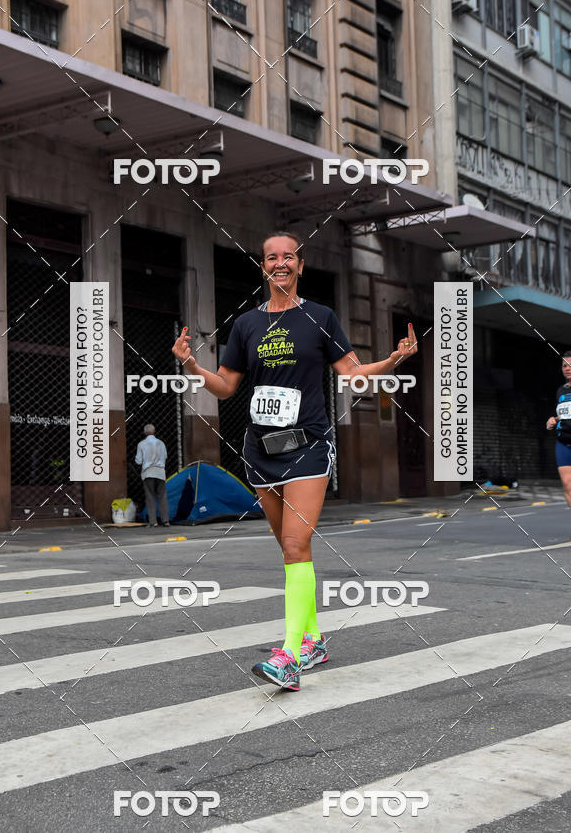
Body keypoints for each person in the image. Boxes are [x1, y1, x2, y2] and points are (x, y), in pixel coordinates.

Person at [172, 231, 417, 690]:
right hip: (260, 449)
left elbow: (350, 373)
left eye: (288, 257)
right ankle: (313, 639)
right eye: (271, 258)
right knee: (291, 552)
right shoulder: (245, 325)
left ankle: (289, 658)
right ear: (263, 267)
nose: (280, 263)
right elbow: (226, 385)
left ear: (300, 266)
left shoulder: (320, 317)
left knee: (294, 544)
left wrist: (390, 361)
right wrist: (192, 367)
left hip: (306, 445)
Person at [546, 350, 571, 509]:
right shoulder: (560, 391)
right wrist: (553, 420)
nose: (567, 368)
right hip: (563, 443)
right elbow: (562, 414)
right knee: (568, 487)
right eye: (564, 365)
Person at [135, 424, 170, 527]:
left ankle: (153, 522)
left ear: (145, 433)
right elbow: (165, 457)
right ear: (154, 432)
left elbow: (138, 461)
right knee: (162, 497)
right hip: (160, 472)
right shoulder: (161, 443)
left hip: (148, 472)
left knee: (150, 497)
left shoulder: (141, 444)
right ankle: (166, 521)